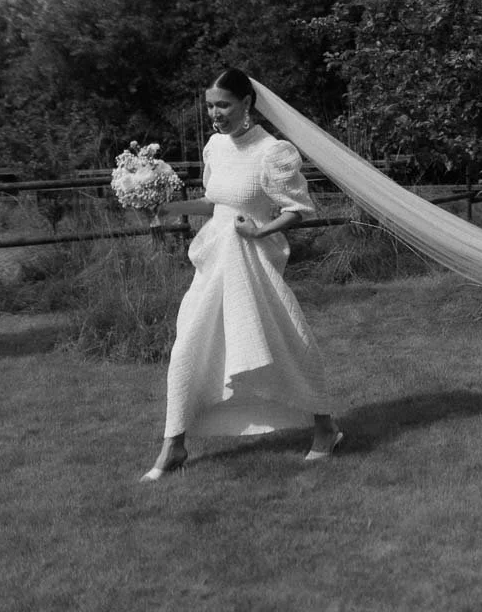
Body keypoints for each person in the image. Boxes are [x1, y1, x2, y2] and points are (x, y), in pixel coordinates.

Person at [141, 68, 341, 482]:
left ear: (246, 103)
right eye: (211, 105)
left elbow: (299, 209)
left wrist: (261, 229)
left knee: (286, 343)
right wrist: (171, 209)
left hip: (253, 263)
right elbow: (216, 203)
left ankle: (325, 427)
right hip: (215, 261)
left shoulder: (274, 152)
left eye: (224, 105)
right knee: (188, 347)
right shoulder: (215, 147)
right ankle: (174, 445)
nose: (216, 114)